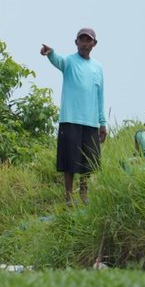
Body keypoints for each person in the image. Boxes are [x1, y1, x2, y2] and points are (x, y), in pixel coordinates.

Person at [39, 29, 107, 207]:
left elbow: (100, 96)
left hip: (90, 122)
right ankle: (68, 198)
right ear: (76, 42)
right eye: (82, 40)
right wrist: (50, 53)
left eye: (88, 40)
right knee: (69, 160)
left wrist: (103, 123)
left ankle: (84, 194)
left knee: (88, 162)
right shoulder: (69, 62)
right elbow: (57, 59)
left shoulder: (98, 67)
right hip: (70, 120)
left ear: (94, 44)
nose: (85, 44)